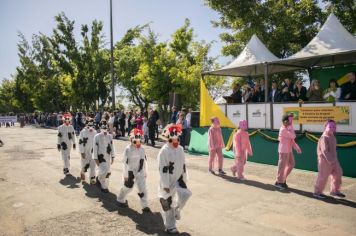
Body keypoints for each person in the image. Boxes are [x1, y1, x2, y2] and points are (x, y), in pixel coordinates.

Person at [158, 124, 192, 234]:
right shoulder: (164, 151)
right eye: (173, 139)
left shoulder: (180, 149)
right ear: (168, 138)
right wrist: (165, 185)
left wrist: (184, 177)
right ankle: (170, 226)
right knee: (167, 203)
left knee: (186, 194)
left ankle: (177, 209)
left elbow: (183, 164)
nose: (176, 141)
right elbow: (163, 169)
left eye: (178, 138)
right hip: (167, 181)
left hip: (178, 179)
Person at [117, 129, 151, 212]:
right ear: (131, 140)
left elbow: (143, 161)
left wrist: (145, 171)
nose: (138, 144)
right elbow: (124, 162)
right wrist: (125, 174)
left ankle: (145, 205)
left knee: (142, 189)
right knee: (127, 188)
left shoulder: (142, 149)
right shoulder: (128, 149)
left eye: (139, 141)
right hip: (130, 172)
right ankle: (121, 199)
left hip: (140, 172)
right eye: (136, 142)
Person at [313, 120, 345, 199]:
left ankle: (335, 191)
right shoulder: (324, 137)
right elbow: (324, 151)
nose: (332, 128)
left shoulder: (332, 136)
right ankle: (317, 192)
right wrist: (331, 161)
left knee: (338, 173)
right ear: (325, 127)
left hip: (334, 161)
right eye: (330, 126)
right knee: (323, 177)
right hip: (325, 161)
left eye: (334, 127)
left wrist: (334, 160)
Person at [275, 114, 302, 190]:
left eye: (290, 121)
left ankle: (282, 179)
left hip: (289, 150)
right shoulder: (283, 129)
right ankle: (279, 182)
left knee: (292, 164)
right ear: (284, 122)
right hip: (283, 151)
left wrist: (297, 148)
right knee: (282, 167)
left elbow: (292, 141)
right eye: (288, 121)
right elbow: (293, 136)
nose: (290, 123)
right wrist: (291, 127)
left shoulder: (288, 128)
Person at [93, 120, 115, 193]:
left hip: (107, 157)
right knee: (103, 171)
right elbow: (95, 148)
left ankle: (104, 185)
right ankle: (101, 182)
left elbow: (112, 146)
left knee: (108, 172)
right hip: (100, 158)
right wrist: (95, 158)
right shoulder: (97, 136)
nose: (105, 131)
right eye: (103, 128)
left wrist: (113, 156)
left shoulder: (109, 136)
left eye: (106, 128)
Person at [78, 118, 97, 184]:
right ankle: (82, 173)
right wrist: (82, 152)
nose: (90, 127)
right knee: (84, 164)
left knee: (93, 165)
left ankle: (92, 178)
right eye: (89, 125)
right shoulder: (83, 132)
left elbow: (97, 142)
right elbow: (80, 142)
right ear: (86, 124)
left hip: (93, 152)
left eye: (92, 125)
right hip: (85, 151)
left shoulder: (95, 132)